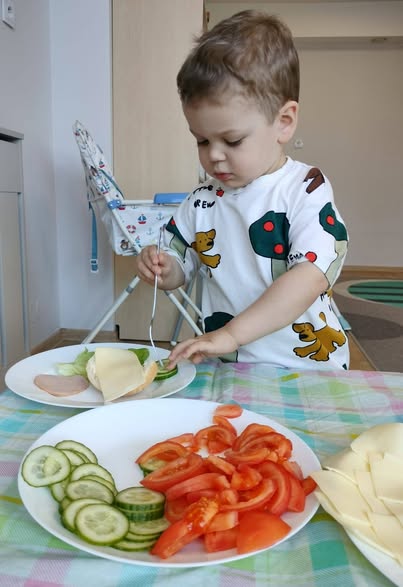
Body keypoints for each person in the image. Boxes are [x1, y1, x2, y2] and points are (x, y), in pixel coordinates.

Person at [135, 10, 349, 370]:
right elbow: (180, 263)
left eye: (232, 140)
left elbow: (310, 277)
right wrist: (163, 267)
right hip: (232, 366)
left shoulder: (305, 190)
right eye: (202, 140)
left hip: (308, 367)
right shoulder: (201, 202)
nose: (214, 155)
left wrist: (232, 334)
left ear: (283, 122)